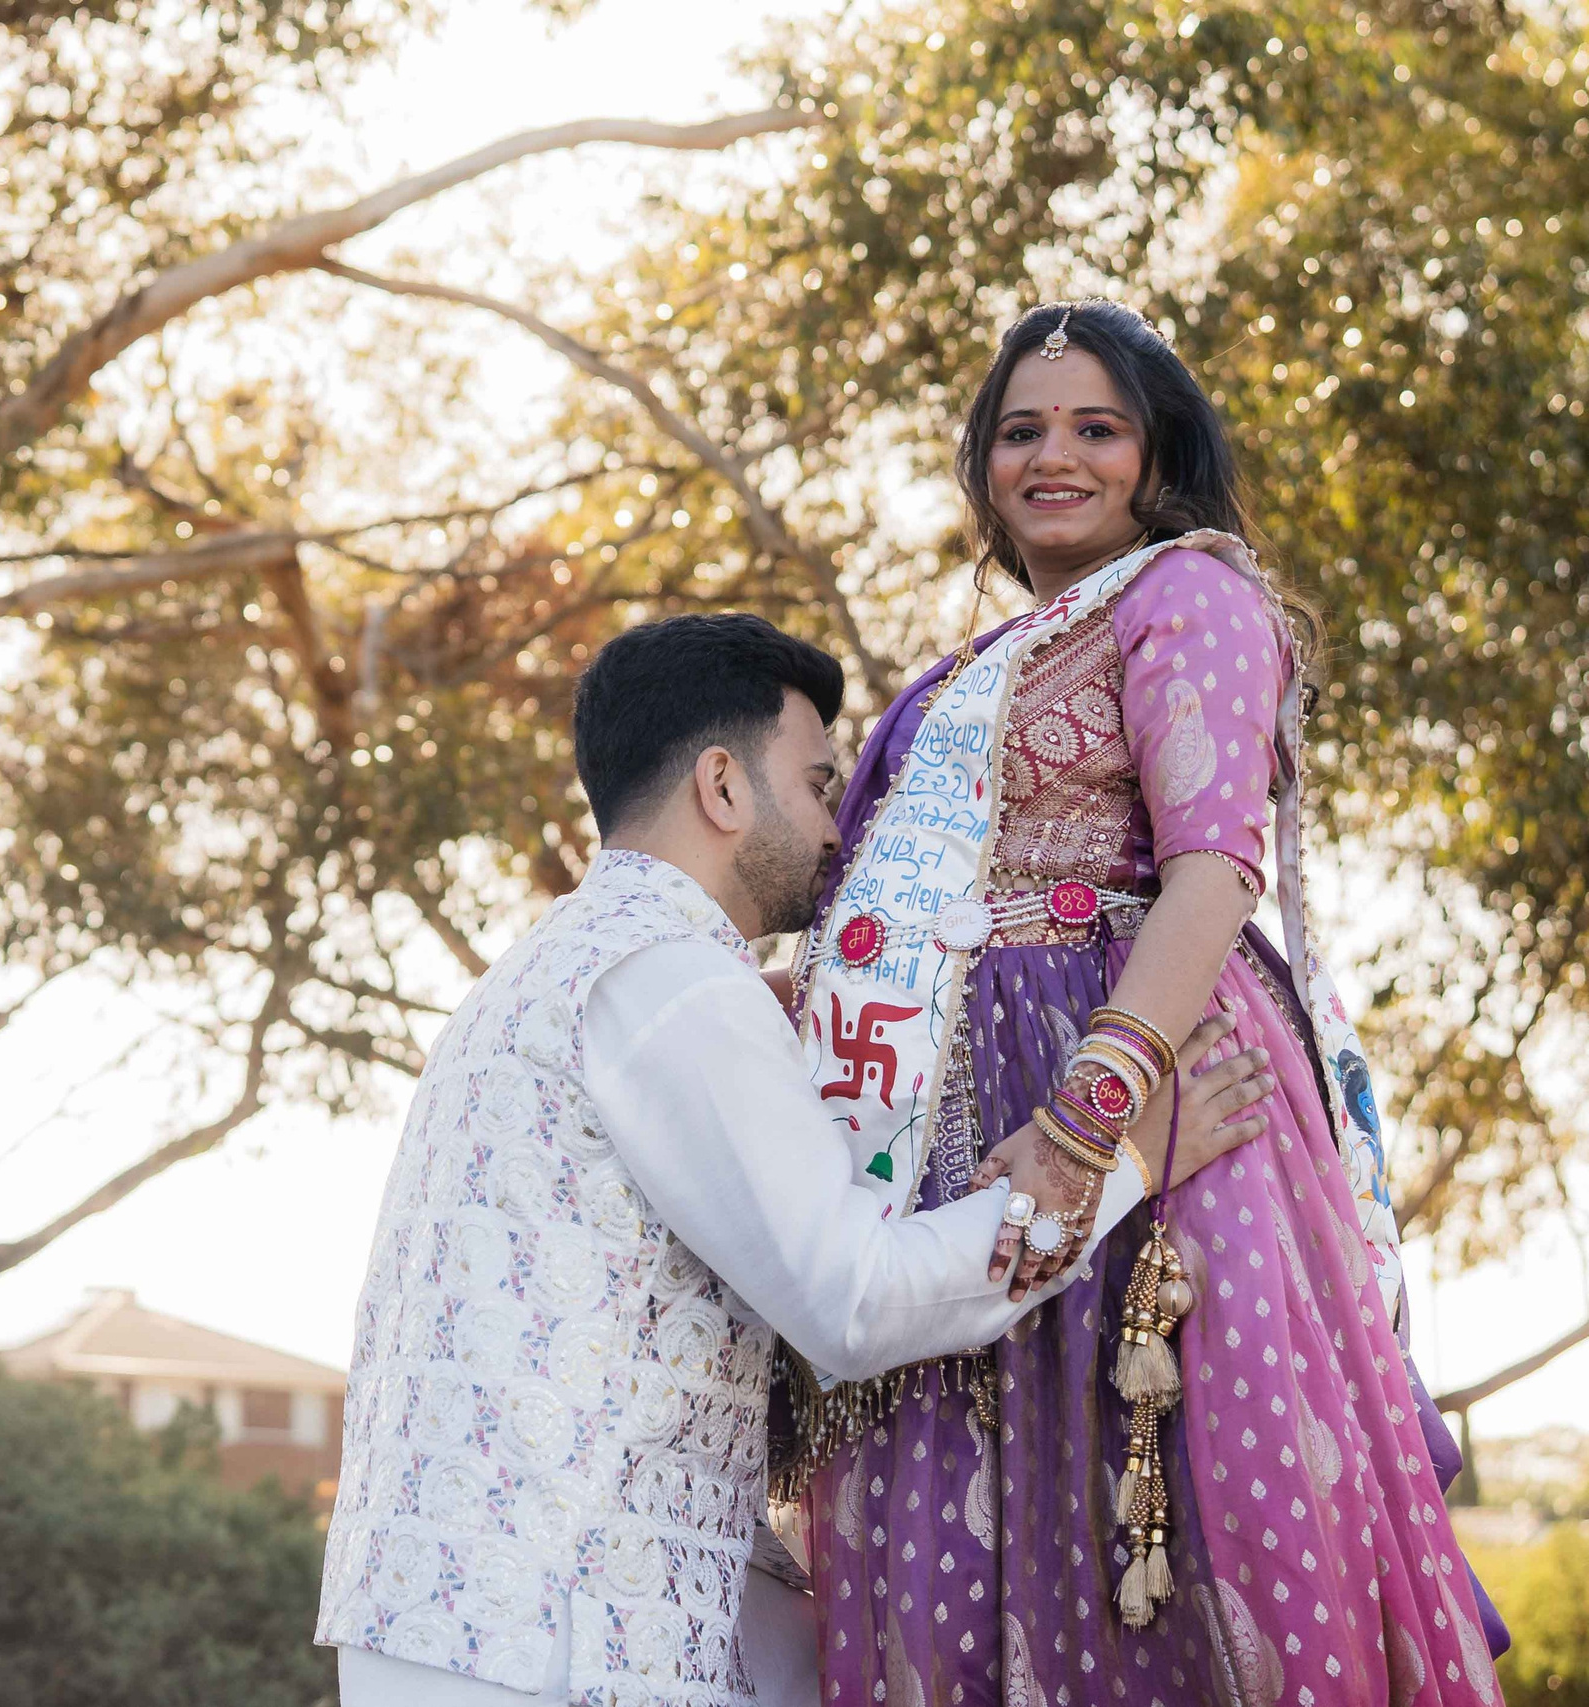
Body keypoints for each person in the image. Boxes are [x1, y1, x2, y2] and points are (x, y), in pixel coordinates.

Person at [314, 612, 1276, 1707]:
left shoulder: (556, 965)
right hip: (550, 1636)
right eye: (818, 785)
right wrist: (1117, 1163)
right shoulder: (670, 979)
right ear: (722, 787)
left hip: (462, 1624)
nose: (837, 833)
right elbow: (854, 1301)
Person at [790, 299, 1507, 1705]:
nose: (1053, 456)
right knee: (964, 1526)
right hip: (954, 1132)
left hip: (1153, 1107)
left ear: (1156, 453)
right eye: (1021, 431)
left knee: (1179, 1528)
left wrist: (1087, 1124)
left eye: (1095, 428)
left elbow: (1212, 872)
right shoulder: (976, 664)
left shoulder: (1191, 594)